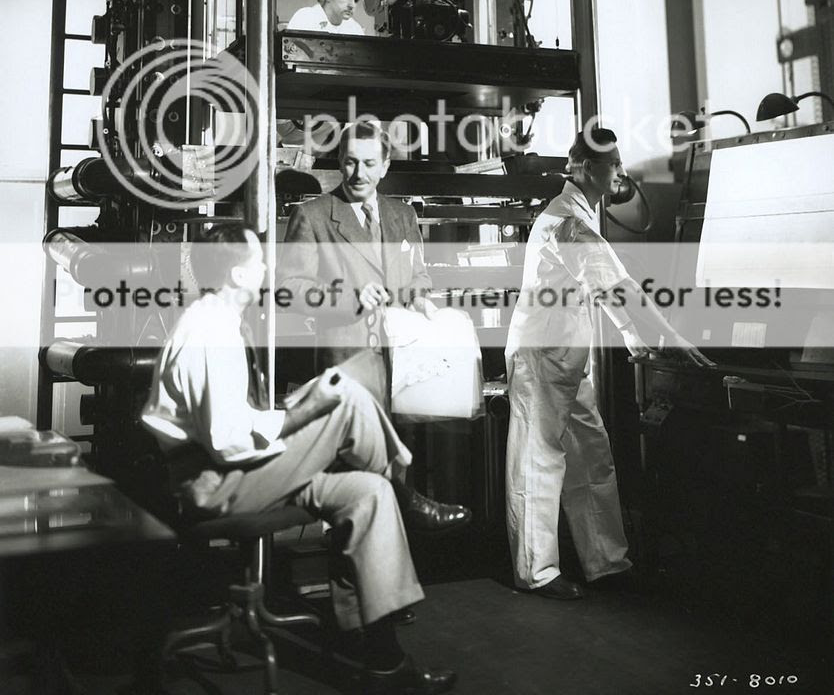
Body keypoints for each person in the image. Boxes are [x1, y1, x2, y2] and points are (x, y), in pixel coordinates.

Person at [142, 223, 458, 693]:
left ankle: (384, 662)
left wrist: (297, 404)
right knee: (347, 397)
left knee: (367, 492)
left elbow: (234, 424)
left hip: (237, 472)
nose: (265, 267)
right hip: (215, 484)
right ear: (237, 275)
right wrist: (305, 411)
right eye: (257, 261)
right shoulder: (209, 331)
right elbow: (228, 442)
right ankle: (405, 493)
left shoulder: (220, 320)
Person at [504, 126, 714, 601]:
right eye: (613, 163)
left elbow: (601, 284)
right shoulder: (566, 222)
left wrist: (634, 333)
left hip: (566, 358)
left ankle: (607, 563)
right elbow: (616, 284)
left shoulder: (580, 215)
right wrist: (667, 336)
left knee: (592, 457)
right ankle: (537, 573)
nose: (621, 170)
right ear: (586, 168)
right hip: (541, 359)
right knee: (538, 464)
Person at [281, 118, 436, 400]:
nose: (359, 174)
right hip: (345, 371)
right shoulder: (312, 216)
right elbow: (289, 289)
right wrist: (351, 298)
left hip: (404, 367)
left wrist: (418, 298)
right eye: (351, 162)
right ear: (340, 162)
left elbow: (419, 275)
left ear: (385, 166)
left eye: (369, 163)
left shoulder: (403, 215)